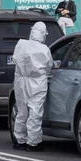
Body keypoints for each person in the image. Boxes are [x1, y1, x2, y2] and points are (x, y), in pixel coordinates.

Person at [12, 21, 52, 151]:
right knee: (35, 111)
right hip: (37, 82)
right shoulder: (44, 49)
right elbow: (48, 66)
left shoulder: (21, 44)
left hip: (20, 81)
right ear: (43, 34)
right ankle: (33, 143)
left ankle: (19, 141)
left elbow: (15, 60)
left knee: (22, 111)